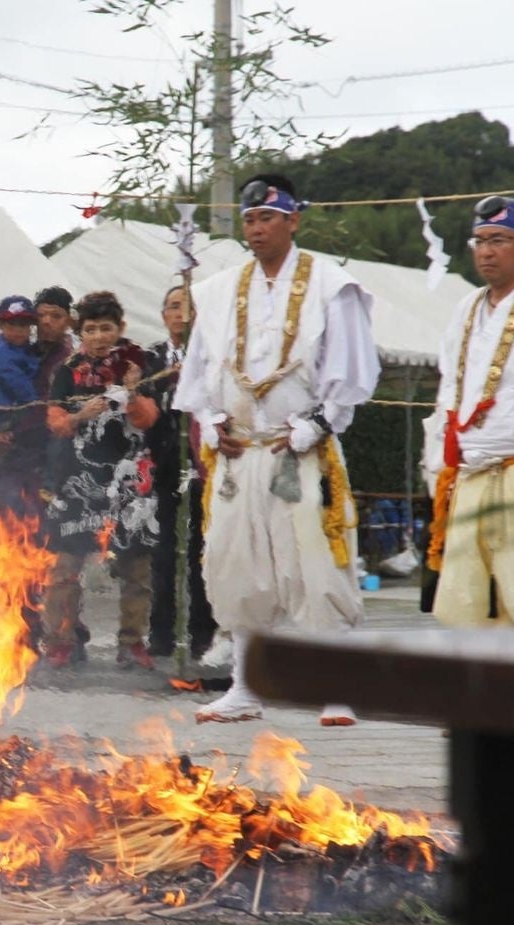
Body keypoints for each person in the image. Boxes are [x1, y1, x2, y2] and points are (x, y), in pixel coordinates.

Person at [175, 173, 380, 725]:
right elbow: (197, 372)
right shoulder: (217, 291)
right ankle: (245, 686)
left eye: (268, 218)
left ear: (293, 220)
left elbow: (351, 372)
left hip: (301, 448)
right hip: (240, 451)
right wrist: (211, 419)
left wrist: (320, 424)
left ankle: (336, 687)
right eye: (249, 219)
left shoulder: (332, 285)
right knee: (235, 565)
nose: (257, 228)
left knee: (318, 563)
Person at [424, 196, 514, 626]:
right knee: (463, 604)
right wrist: (439, 463)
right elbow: (448, 391)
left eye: (499, 239)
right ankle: (487, 693)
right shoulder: (466, 307)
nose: (487, 251)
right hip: (469, 472)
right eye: (479, 241)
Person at [42, 291, 163, 671]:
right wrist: (80, 416)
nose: (98, 336)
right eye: (90, 329)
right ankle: (63, 638)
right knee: (65, 565)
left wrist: (130, 395)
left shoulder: (138, 362)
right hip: (76, 479)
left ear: (120, 328)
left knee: (136, 567)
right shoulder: (67, 368)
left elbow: (149, 419)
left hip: (128, 479)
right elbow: (56, 423)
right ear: (80, 332)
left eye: (105, 328)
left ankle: (131, 642)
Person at [146, 285, 217, 659]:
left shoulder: (212, 357)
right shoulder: (149, 360)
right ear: (163, 315)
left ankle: (203, 634)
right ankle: (161, 635)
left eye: (187, 307)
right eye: (173, 306)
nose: (180, 314)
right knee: (163, 554)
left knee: (202, 553)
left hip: (202, 467)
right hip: (163, 467)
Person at [0, 295, 41, 512]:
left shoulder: (22, 350)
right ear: (0, 325)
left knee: (10, 466)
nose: (18, 330)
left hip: (11, 411)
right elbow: (20, 385)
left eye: (23, 325)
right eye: (11, 324)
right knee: (2, 463)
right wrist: (36, 403)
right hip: (1, 413)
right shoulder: (1, 353)